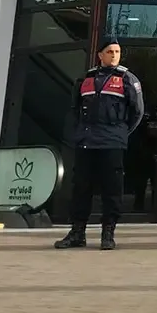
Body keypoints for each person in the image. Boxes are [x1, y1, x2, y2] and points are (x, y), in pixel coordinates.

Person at [54, 37, 145, 251]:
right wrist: (77, 134)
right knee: (81, 188)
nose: (114, 55)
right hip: (86, 142)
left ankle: (108, 233)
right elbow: (75, 109)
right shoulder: (86, 78)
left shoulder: (127, 79)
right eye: (110, 52)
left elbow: (137, 112)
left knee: (111, 190)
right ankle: (77, 232)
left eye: (117, 52)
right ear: (100, 55)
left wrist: (120, 133)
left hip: (112, 143)